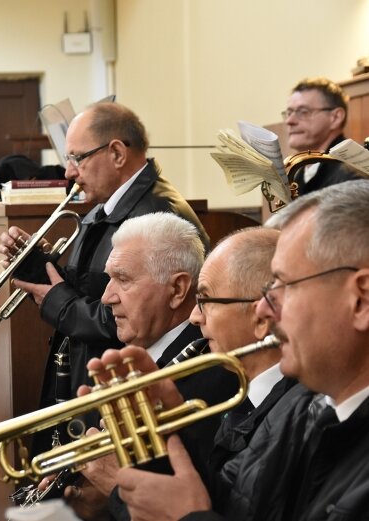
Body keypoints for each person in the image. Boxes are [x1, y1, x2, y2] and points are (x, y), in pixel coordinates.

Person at [104, 180, 369, 521]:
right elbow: (240, 507)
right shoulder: (305, 408)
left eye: (284, 287)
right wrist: (166, 435)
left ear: (360, 299)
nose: (264, 310)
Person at [0, 101, 209, 453]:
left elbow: (140, 318)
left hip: (119, 384)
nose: (68, 172)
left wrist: (61, 306)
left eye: (77, 158)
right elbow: (93, 289)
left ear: (116, 153)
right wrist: (38, 266)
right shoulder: (104, 206)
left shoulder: (158, 213)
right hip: (87, 375)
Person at [60, 212, 233, 521]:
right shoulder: (123, 355)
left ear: (178, 289)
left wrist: (116, 490)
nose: (106, 297)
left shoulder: (212, 374)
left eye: (123, 279)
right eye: (109, 278)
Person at [188, 226, 295, 483]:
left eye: (205, 300)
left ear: (261, 314)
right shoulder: (243, 397)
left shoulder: (296, 416)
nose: (194, 317)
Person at [283, 77, 363, 195]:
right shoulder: (297, 174)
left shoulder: (355, 173)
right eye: (289, 113)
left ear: (336, 117)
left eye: (303, 112)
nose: (289, 121)